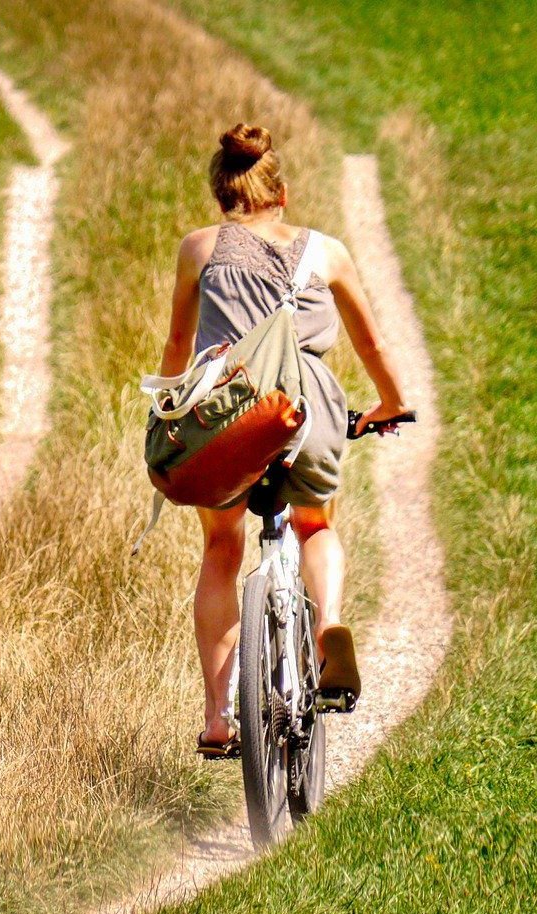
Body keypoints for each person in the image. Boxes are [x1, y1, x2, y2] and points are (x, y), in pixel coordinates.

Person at [157, 123, 413, 758]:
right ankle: (326, 627)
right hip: (308, 411)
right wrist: (392, 403)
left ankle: (219, 717)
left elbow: (175, 347)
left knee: (222, 545)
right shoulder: (326, 252)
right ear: (283, 194)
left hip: (228, 411)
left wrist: (170, 406)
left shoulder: (198, 248)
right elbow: (372, 344)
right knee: (315, 526)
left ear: (222, 197)